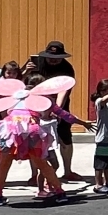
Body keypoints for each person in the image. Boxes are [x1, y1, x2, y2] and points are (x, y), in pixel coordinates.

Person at [36, 41, 84, 180]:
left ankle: (68, 171)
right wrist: (26, 70)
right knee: (35, 140)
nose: (53, 60)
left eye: (57, 58)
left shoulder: (67, 69)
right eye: (50, 57)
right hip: (37, 105)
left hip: (59, 105)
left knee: (65, 137)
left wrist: (56, 109)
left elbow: (64, 91)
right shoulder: (37, 62)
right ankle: (36, 175)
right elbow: (23, 83)